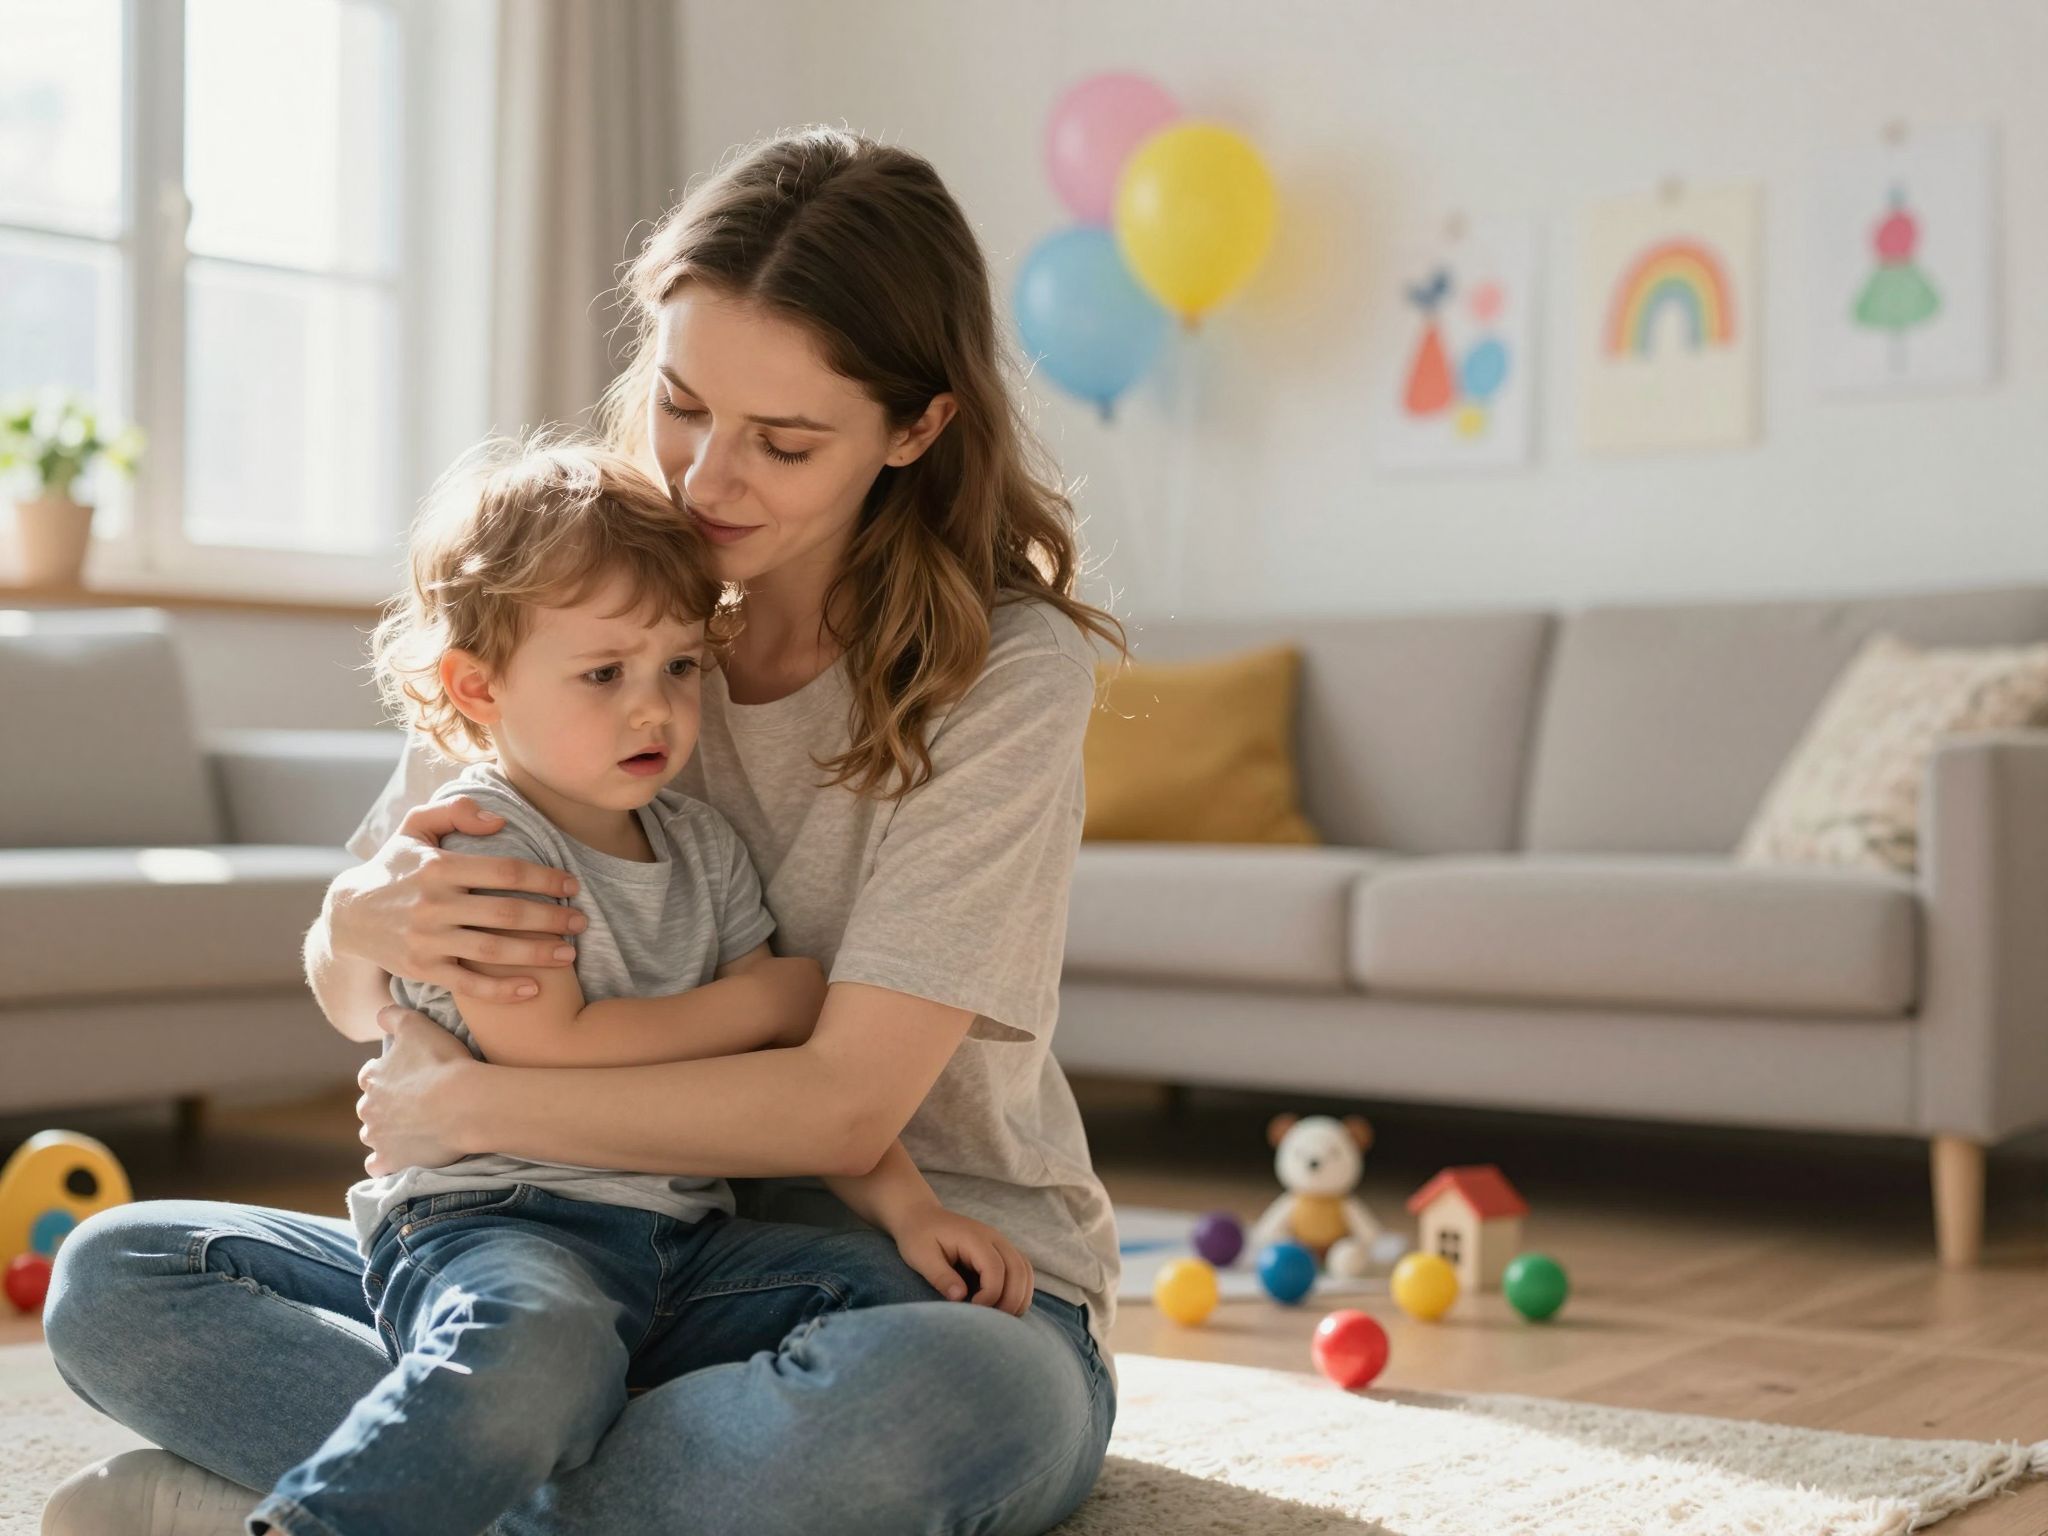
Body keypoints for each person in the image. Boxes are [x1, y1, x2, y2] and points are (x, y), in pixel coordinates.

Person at [43, 126, 1125, 1536]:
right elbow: (360, 980)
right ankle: (512, 1469)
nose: (706, 480)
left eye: (785, 443)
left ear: (916, 430)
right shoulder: (577, 587)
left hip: (903, 1278)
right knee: (126, 1274)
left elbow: (841, 1103)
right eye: (682, 407)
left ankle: (393, 1484)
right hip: (552, 1250)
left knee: (966, 1402)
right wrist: (347, 927)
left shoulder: (1007, 667)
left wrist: (480, 1106)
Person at [270, 438, 1039, 1535]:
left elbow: (801, 1085)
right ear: (478, 685)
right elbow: (553, 1046)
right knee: (533, 1337)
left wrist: (909, 1209)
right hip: (504, 1222)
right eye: (604, 674)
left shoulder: (701, 847)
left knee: (909, 1305)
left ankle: (535, 1452)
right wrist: (771, 999)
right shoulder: (482, 841)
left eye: (679, 667)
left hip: (675, 1236)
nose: (654, 710)